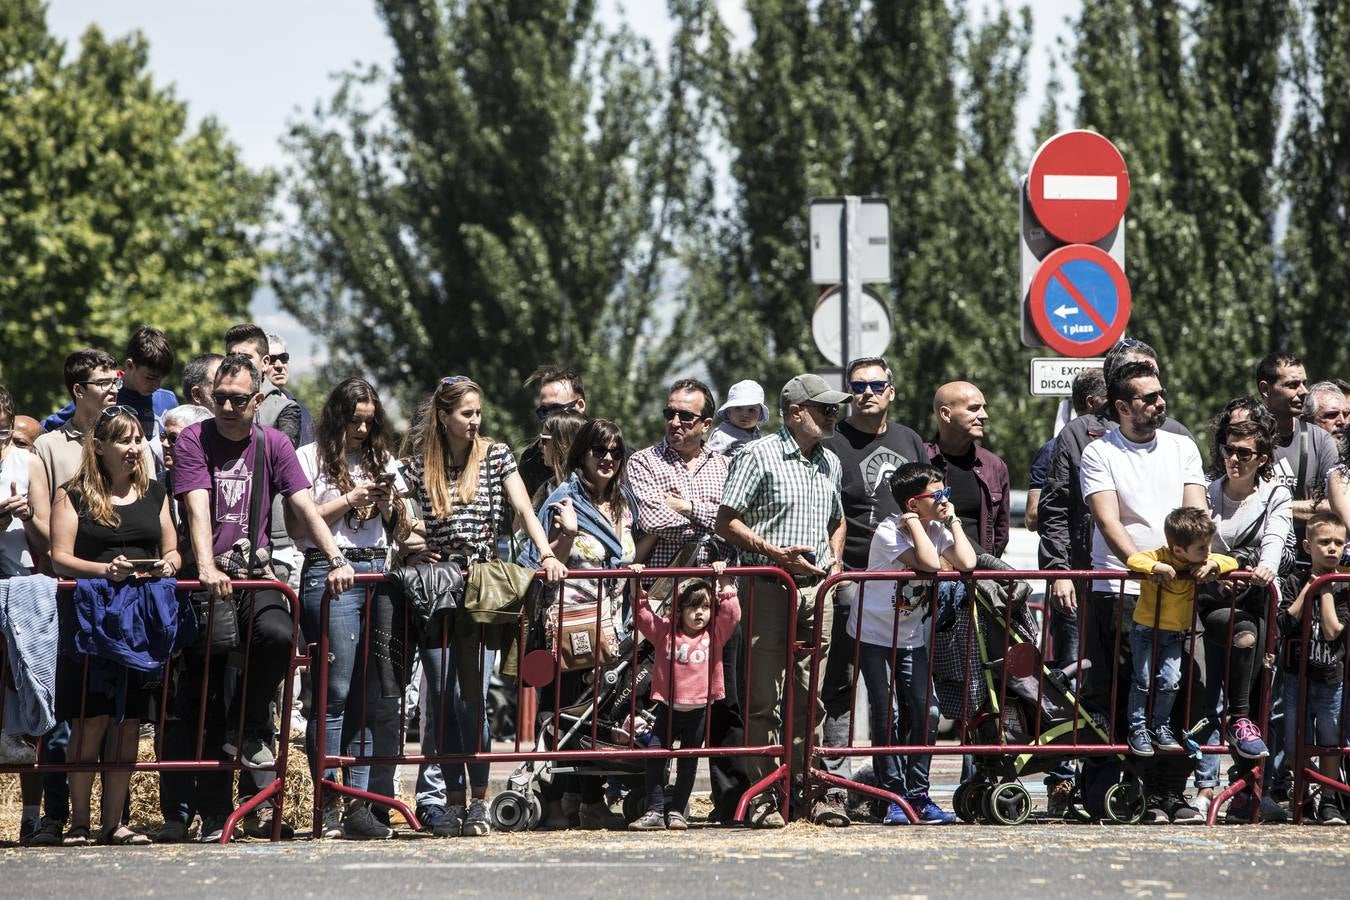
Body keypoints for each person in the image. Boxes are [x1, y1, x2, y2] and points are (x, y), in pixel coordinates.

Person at [173, 353, 355, 842]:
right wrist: (206, 566)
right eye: (220, 398)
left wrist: (337, 556)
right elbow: (196, 505)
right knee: (209, 691)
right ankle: (213, 813)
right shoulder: (195, 438)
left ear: (258, 399)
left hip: (256, 575)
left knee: (277, 632)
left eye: (237, 399)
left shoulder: (273, 443)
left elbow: (305, 505)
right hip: (206, 580)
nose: (227, 407)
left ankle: (250, 726)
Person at [402, 376, 565, 837]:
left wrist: (547, 553)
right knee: (441, 698)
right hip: (435, 586)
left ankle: (477, 801)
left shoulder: (495, 455)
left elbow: (523, 510)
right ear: (443, 416)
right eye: (466, 414)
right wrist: (411, 545)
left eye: (478, 413)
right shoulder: (417, 464)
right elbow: (399, 515)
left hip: (482, 586)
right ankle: (449, 803)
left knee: (471, 700)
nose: (475, 422)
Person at [715, 373, 850, 828]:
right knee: (762, 699)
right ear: (796, 413)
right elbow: (725, 521)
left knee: (811, 699)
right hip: (770, 588)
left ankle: (806, 791)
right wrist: (774, 554)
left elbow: (837, 519)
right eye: (825, 409)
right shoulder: (758, 455)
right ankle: (765, 795)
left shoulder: (829, 461)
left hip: (818, 591)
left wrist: (833, 558)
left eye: (834, 409)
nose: (834, 416)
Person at [1078, 359, 1209, 823]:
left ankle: (1172, 793)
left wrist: (1201, 557)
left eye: (1161, 394)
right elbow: (1108, 520)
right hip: (1122, 586)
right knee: (1130, 686)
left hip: (1179, 588)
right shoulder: (1099, 453)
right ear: (1121, 406)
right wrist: (1143, 563)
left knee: (1179, 685)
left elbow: (1196, 514)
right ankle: (1133, 795)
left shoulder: (1181, 445)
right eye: (1148, 397)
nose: (1160, 402)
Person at [48, 406, 181, 846]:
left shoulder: (155, 492)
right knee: (90, 721)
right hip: (91, 622)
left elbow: (174, 550)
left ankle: (114, 823)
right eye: (123, 440)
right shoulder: (73, 495)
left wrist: (167, 564)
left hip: (142, 624)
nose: (133, 448)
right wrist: (105, 571)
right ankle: (80, 823)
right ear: (99, 446)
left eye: (138, 439)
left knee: (127, 726)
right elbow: (60, 557)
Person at [298, 378, 409, 840]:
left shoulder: (382, 460)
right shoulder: (309, 457)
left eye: (369, 421)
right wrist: (348, 499)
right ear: (336, 417)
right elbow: (295, 521)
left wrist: (388, 503)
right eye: (354, 420)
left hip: (376, 572)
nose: (362, 429)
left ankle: (361, 807)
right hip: (328, 571)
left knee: (370, 692)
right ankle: (326, 803)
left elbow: (404, 528)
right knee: (334, 693)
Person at [820, 356, 925, 810]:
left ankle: (892, 787)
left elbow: (925, 501)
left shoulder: (910, 440)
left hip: (902, 583)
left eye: (876, 384)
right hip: (849, 579)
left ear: (891, 391)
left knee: (898, 690)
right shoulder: (831, 441)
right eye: (858, 385)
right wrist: (836, 566)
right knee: (840, 686)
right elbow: (825, 511)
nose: (867, 392)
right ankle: (835, 786)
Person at [524, 417, 639, 831]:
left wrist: (635, 567)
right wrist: (568, 536)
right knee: (560, 714)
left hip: (612, 625)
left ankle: (590, 801)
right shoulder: (563, 498)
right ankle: (552, 803)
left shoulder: (625, 501)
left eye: (615, 452)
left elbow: (629, 547)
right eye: (598, 451)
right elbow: (534, 557)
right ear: (582, 455)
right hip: (569, 625)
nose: (607, 458)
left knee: (596, 718)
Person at [851, 461, 973, 825]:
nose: (945, 500)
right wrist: (915, 526)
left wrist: (952, 521)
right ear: (912, 503)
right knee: (888, 712)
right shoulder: (890, 532)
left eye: (946, 492)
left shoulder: (937, 527)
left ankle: (918, 794)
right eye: (938, 495)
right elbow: (929, 564)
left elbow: (964, 561)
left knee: (927, 711)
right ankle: (894, 797)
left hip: (909, 635)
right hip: (875, 634)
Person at [1193, 407, 1284, 817]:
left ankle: (1248, 786)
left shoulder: (1274, 494)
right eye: (1230, 450)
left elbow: (1276, 537)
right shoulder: (1206, 492)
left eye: (1245, 453)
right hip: (1210, 601)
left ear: (1262, 459)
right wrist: (1216, 568)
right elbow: (1193, 539)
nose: (1235, 458)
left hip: (1253, 600)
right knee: (1202, 694)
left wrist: (1265, 565)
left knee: (1254, 659)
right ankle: (1204, 785)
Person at [628, 564, 741, 831]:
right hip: (668, 708)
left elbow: (733, 612)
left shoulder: (715, 634)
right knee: (655, 756)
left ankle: (677, 811)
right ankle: (655, 811)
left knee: (688, 761)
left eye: (704, 607)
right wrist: (636, 580)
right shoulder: (666, 632)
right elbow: (643, 615)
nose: (699, 613)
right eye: (692, 607)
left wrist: (723, 579)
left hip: (699, 711)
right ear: (679, 611)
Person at [1124, 507, 1236, 756]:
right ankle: (1138, 728)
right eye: (1202, 548)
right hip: (1146, 630)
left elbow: (1232, 561)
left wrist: (1215, 563)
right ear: (1178, 550)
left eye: (1208, 546)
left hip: (1175, 634)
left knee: (1170, 681)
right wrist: (1155, 568)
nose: (1207, 551)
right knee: (1142, 681)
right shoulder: (1161, 556)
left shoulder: (1204, 561)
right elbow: (1134, 560)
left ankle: (1160, 726)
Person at [1030, 367, 1105, 676]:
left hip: (1109, 576)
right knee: (1072, 666)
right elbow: (1035, 515)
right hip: (1072, 572)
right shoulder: (1054, 448)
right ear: (1090, 402)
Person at [1277, 511, 1349, 825]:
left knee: (1330, 740)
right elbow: (1286, 621)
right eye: (1325, 542)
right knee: (1296, 741)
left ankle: (1330, 799)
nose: (1332, 549)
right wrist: (1310, 589)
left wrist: (1327, 589)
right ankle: (1304, 792)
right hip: (1296, 676)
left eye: (1339, 543)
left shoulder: (1343, 585)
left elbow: (1333, 630)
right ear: (1307, 546)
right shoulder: (1294, 580)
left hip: (1331, 677)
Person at [41, 327, 178, 444]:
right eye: (150, 377)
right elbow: (46, 427)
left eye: (161, 379)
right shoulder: (103, 396)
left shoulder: (168, 400)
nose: (156, 385)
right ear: (130, 365)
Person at [1258, 353, 1338, 537]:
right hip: (1257, 557)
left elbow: (1335, 505)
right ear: (1265, 389)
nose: (1304, 391)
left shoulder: (1320, 440)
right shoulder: (1244, 442)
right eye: (1292, 385)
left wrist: (1272, 507)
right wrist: (1306, 509)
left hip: (1307, 558)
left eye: (1304, 383)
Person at [926, 381, 1009, 557]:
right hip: (928, 577)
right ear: (946, 414)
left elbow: (1001, 533)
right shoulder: (919, 459)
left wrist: (986, 574)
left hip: (977, 577)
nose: (984, 415)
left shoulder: (994, 466)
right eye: (974, 408)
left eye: (983, 408)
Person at [519, 366, 588, 498]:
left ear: (580, 406)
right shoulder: (532, 459)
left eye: (556, 410)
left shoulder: (609, 452)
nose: (549, 418)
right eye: (544, 411)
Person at [266, 333, 315, 446]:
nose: (279, 366)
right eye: (271, 360)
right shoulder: (252, 410)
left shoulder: (302, 412)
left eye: (284, 358)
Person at [707, 380, 767, 458]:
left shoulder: (757, 434)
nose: (745, 415)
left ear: (760, 414)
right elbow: (710, 459)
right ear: (728, 412)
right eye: (738, 408)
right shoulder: (723, 434)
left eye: (751, 410)